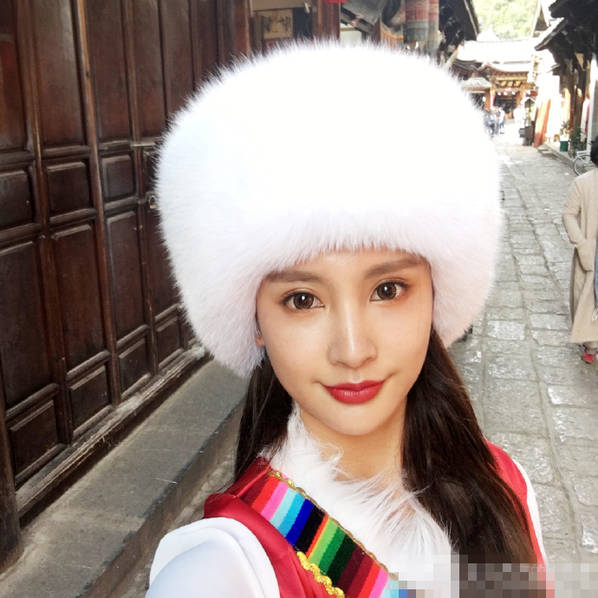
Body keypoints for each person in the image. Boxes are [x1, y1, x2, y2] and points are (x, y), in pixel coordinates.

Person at [146, 43, 546, 597]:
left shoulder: (506, 489)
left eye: (387, 289)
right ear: (254, 318)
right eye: (302, 300)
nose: (353, 350)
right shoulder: (224, 570)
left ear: (435, 295)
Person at [562, 136, 598, 363]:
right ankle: (591, 344)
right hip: (592, 250)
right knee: (589, 297)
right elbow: (568, 214)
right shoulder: (583, 183)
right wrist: (582, 243)